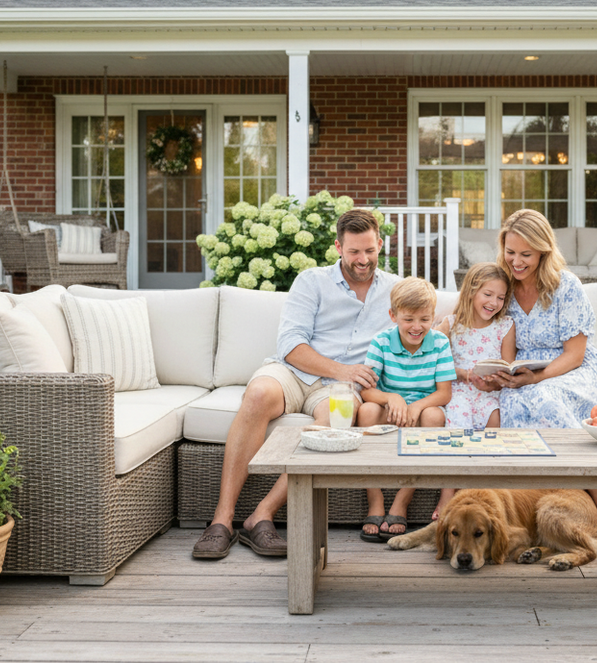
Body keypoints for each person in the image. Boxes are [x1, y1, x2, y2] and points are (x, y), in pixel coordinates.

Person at [191, 208, 399, 560]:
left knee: (336, 420)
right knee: (257, 394)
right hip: (296, 372)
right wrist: (342, 370)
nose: (363, 260)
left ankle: (262, 515)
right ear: (338, 247)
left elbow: (421, 322)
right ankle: (222, 521)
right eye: (353, 252)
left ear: (380, 244)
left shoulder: (395, 290)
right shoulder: (312, 281)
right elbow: (290, 345)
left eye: (369, 250)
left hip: (338, 391)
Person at [487, 208, 597, 553]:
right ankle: (531, 508)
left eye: (526, 254)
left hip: (573, 372)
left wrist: (536, 377)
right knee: (510, 402)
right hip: (524, 376)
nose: (516, 261)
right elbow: (471, 316)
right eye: (510, 252)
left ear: (543, 251)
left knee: (545, 398)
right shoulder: (501, 286)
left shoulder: (565, 286)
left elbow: (575, 354)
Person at [356, 277, 456, 542]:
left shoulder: (439, 343)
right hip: (391, 408)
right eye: (408, 319)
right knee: (365, 411)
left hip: (421, 411)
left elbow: (444, 393)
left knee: (434, 415)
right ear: (393, 315)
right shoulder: (381, 342)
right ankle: (375, 499)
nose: (416, 326)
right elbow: (367, 390)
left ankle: (402, 500)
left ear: (433, 317)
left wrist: (418, 405)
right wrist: (392, 398)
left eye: (424, 319)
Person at [435, 262, 515, 433]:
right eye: (488, 294)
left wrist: (493, 383)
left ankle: (489, 459)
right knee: (458, 419)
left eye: (501, 298)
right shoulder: (450, 325)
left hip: (490, 392)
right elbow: (435, 364)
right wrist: (464, 374)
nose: (494, 302)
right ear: (472, 291)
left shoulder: (505, 326)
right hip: (458, 391)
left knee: (495, 416)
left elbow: (508, 369)